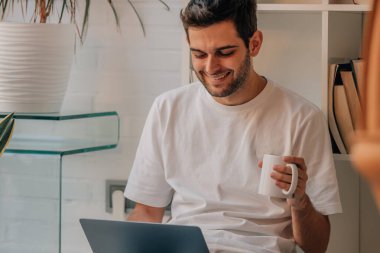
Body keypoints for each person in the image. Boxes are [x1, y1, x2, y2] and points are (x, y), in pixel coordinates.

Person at [124, 0, 342, 252]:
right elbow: (147, 212)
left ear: (255, 44)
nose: (210, 67)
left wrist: (299, 200)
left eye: (225, 52)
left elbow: (316, 247)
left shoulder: (302, 118)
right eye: (199, 54)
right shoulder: (167, 109)